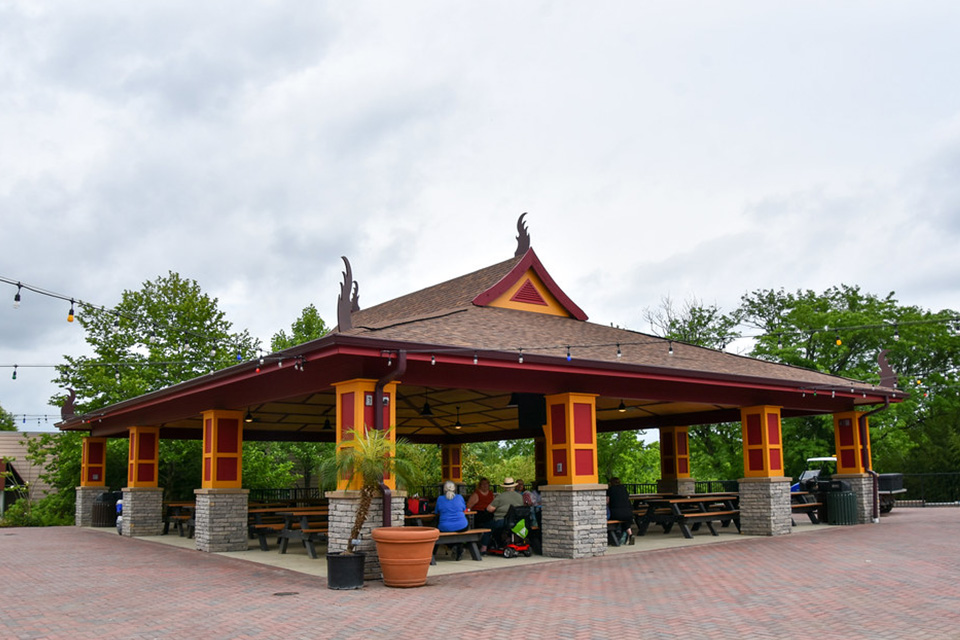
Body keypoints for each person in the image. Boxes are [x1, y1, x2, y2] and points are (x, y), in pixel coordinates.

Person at [481, 477, 525, 552]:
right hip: (517, 522)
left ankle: (484, 548)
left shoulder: (500, 497)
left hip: (501, 521)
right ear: (514, 486)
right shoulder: (520, 497)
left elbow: (490, 509)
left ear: (504, 487)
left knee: (487, 526)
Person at [434, 480, 469, 560]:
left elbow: (436, 511)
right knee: (463, 530)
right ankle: (457, 546)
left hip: (445, 527)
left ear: (444, 489)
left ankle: (453, 546)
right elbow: (464, 508)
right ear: (454, 489)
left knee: (439, 532)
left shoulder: (440, 499)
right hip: (462, 525)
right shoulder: (460, 497)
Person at [606, 477, 634, 545]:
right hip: (628, 513)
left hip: (616, 513)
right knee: (625, 521)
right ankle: (630, 534)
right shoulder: (624, 489)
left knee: (609, 519)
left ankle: (616, 536)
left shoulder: (610, 490)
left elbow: (607, 501)